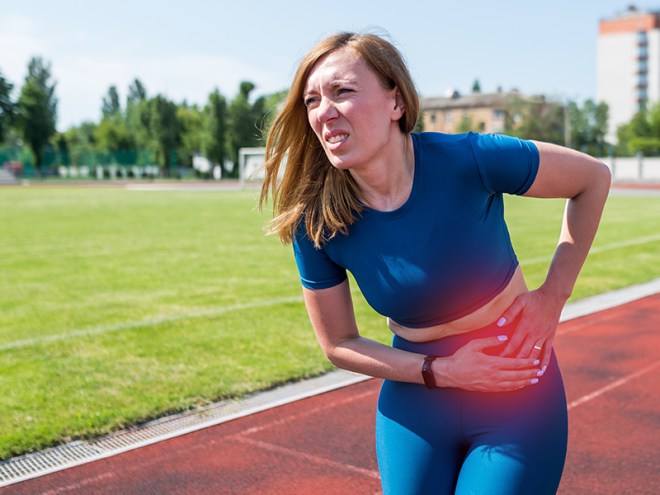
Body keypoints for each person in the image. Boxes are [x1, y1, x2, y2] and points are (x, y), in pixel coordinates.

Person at [259, 32, 610, 495]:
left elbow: (592, 178)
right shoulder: (316, 220)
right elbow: (339, 342)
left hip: (514, 383)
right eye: (311, 100)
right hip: (415, 399)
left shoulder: (470, 158)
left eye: (342, 91)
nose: (324, 111)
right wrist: (440, 371)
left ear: (396, 102)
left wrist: (552, 296)